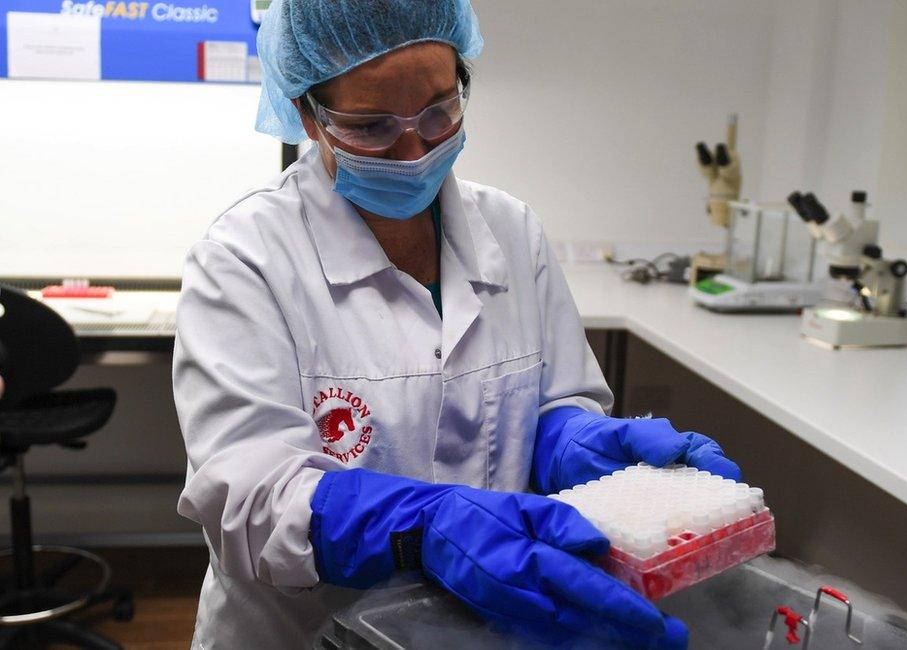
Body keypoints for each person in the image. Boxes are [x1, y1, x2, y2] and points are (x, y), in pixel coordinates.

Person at [173, 1, 742, 648]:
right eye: (372, 125)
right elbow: (249, 502)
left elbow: (550, 403)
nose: (415, 148)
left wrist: (574, 440)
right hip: (303, 633)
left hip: (487, 629)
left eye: (439, 110)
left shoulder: (511, 231)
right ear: (308, 115)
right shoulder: (246, 260)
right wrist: (423, 526)